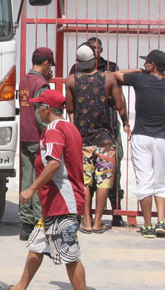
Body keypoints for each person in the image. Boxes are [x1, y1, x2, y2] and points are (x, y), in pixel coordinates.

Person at [0, 90, 86, 290]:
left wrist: (31, 189)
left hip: (62, 203)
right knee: (37, 245)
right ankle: (20, 287)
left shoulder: (54, 130)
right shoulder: (70, 128)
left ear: (46, 109)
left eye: (39, 107)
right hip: (54, 204)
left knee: (70, 255)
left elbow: (53, 164)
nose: (37, 111)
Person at [65, 43, 125, 234]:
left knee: (84, 182)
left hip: (82, 138)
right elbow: (119, 105)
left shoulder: (72, 81)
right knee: (103, 181)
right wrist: (107, 100)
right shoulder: (108, 78)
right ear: (95, 60)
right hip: (105, 138)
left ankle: (86, 221)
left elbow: (70, 109)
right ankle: (99, 222)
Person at [114, 49, 165, 239]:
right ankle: (161, 222)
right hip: (163, 139)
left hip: (142, 136)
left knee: (144, 180)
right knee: (161, 182)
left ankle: (148, 226)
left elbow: (115, 75)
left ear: (153, 65)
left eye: (146, 62)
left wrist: (138, 71)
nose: (144, 64)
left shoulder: (141, 79)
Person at [17, 47, 54, 240]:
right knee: (40, 182)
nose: (50, 70)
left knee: (27, 179)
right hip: (39, 138)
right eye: (50, 65)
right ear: (46, 63)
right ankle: (40, 222)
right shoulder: (41, 84)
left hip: (25, 135)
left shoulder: (24, 80)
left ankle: (26, 224)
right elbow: (43, 114)